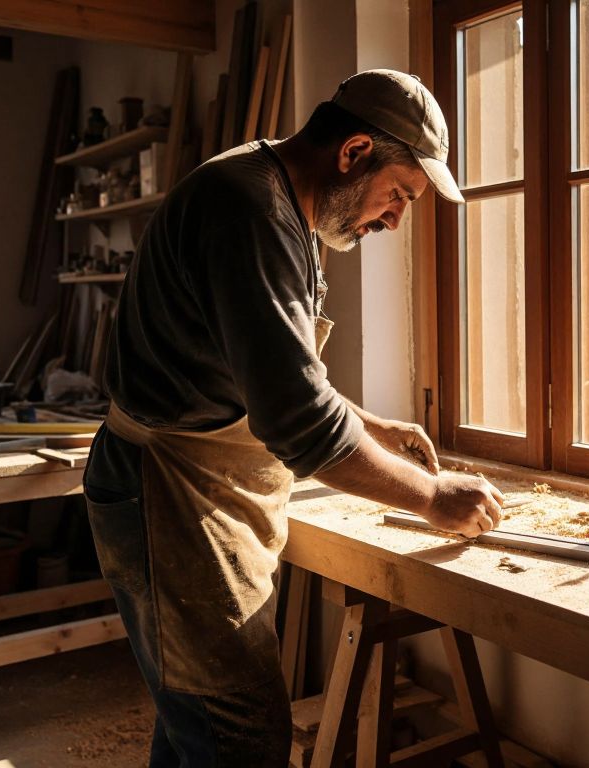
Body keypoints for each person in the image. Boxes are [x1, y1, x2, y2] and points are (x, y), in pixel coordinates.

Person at [83, 69, 505, 767]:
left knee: (194, 723)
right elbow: (298, 422)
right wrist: (432, 496)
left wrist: (369, 426)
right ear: (353, 152)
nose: (397, 218)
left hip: (202, 489)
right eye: (399, 193)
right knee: (238, 735)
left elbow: (276, 372)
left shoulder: (289, 210)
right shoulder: (248, 210)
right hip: (170, 497)